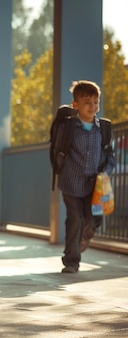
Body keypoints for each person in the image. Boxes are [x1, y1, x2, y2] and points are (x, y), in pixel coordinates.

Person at [55, 80, 116, 273]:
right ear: (76, 105)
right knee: (75, 219)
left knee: (93, 220)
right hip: (71, 181)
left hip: (95, 184)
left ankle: (86, 235)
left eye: (96, 102)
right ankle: (71, 261)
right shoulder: (69, 128)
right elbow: (59, 152)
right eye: (87, 103)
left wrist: (106, 171)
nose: (93, 107)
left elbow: (109, 154)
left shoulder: (103, 128)